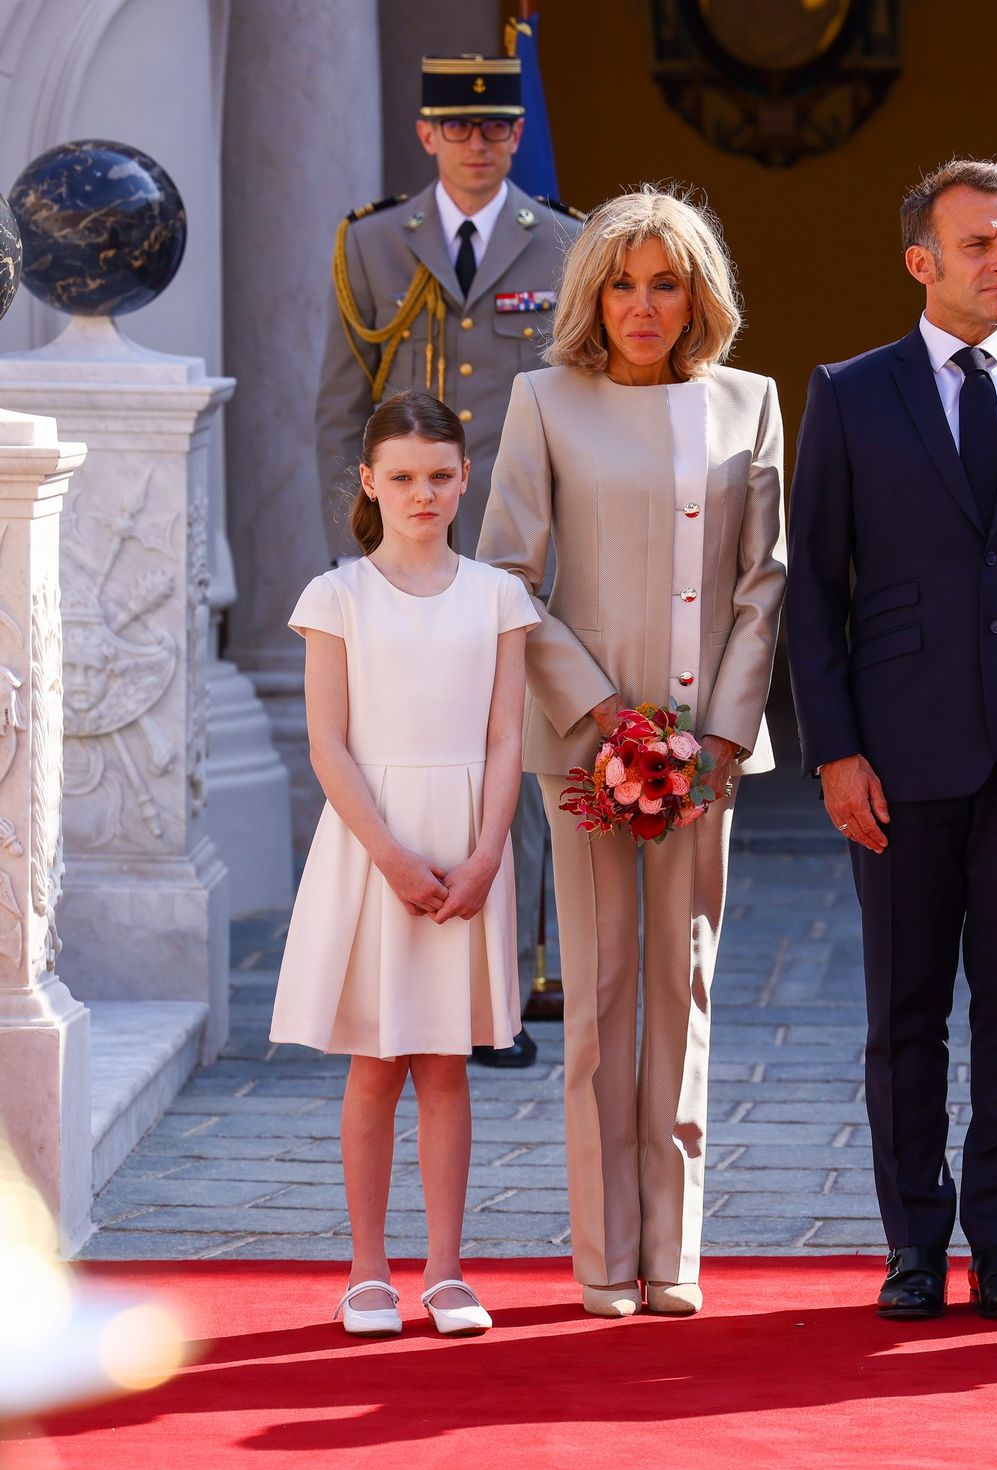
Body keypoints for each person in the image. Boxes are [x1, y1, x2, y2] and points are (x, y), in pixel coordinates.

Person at [787, 159, 997, 1322]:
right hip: (897, 757)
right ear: (919, 262)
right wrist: (834, 750)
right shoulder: (848, 391)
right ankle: (912, 1246)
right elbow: (812, 594)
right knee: (905, 1015)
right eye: (980, 244)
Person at [478, 187, 787, 1319]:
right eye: (621, 282)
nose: (642, 305)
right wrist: (608, 716)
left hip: (704, 754)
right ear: (590, 295)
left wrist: (715, 736)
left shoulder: (748, 404)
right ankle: (604, 1258)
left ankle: (675, 1256)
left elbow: (764, 584)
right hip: (586, 745)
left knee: (684, 984)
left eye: (664, 282)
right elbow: (506, 573)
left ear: (695, 293)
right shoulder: (544, 400)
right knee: (603, 991)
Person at [316, 51, 587, 1070]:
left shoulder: (563, 242)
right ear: (426, 134)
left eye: (494, 127)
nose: (477, 143)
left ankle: (497, 998)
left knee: (503, 767)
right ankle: (403, 981)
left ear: (517, 134)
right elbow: (339, 408)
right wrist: (347, 556)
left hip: (513, 554)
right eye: (456, 127)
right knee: (400, 762)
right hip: (401, 557)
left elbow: (581, 413)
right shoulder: (374, 243)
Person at [271, 392, 540, 1338]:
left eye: (438, 476)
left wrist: (485, 855)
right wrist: (389, 858)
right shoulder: (335, 597)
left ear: (466, 478)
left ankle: (446, 1270)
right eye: (402, 478)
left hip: (468, 842)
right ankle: (367, 1270)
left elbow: (508, 737)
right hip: (371, 846)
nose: (422, 493)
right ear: (369, 483)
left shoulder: (499, 597)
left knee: (446, 1061)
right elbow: (328, 746)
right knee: (376, 1063)